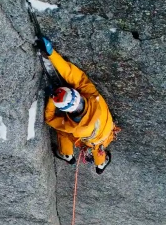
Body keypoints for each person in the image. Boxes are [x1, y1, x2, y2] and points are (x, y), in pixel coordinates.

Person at [37, 36, 116, 174]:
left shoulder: (72, 127)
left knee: (62, 131)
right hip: (106, 128)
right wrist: (52, 54)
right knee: (98, 146)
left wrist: (51, 100)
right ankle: (100, 164)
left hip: (94, 136)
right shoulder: (93, 97)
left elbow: (49, 119)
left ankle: (67, 154)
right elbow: (73, 75)